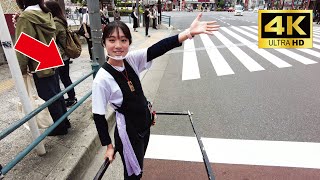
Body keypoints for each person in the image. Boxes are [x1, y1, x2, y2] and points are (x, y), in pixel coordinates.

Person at [92, 13, 219, 179]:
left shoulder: (130, 59)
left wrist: (188, 33)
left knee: (139, 166)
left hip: (144, 126)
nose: (118, 45)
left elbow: (157, 49)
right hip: (129, 134)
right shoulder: (102, 79)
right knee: (133, 174)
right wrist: (108, 146)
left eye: (123, 40)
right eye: (112, 40)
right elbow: (98, 115)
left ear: (129, 42)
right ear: (104, 43)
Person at [15, 0, 70, 136]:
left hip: (39, 62)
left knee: (48, 97)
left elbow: (23, 45)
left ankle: (59, 128)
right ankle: (64, 122)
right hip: (51, 56)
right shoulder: (46, 13)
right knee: (56, 92)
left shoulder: (26, 17)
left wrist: (21, 69)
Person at [45, 0, 78, 108]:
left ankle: (72, 98)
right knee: (65, 78)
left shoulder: (55, 23)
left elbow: (50, 39)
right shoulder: (61, 20)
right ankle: (72, 97)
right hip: (65, 56)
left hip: (61, 56)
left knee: (63, 79)